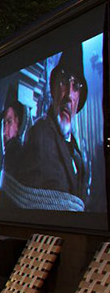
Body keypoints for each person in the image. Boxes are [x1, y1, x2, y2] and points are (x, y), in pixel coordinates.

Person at [19, 44, 91, 204]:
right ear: (54, 88)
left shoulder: (77, 150)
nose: (69, 95)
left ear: (79, 99)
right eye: (64, 82)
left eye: (76, 86)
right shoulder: (39, 133)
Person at [0, 87, 27, 209]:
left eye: (9, 122)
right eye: (3, 124)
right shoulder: (8, 153)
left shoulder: (15, 150)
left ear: (18, 124)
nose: (4, 132)